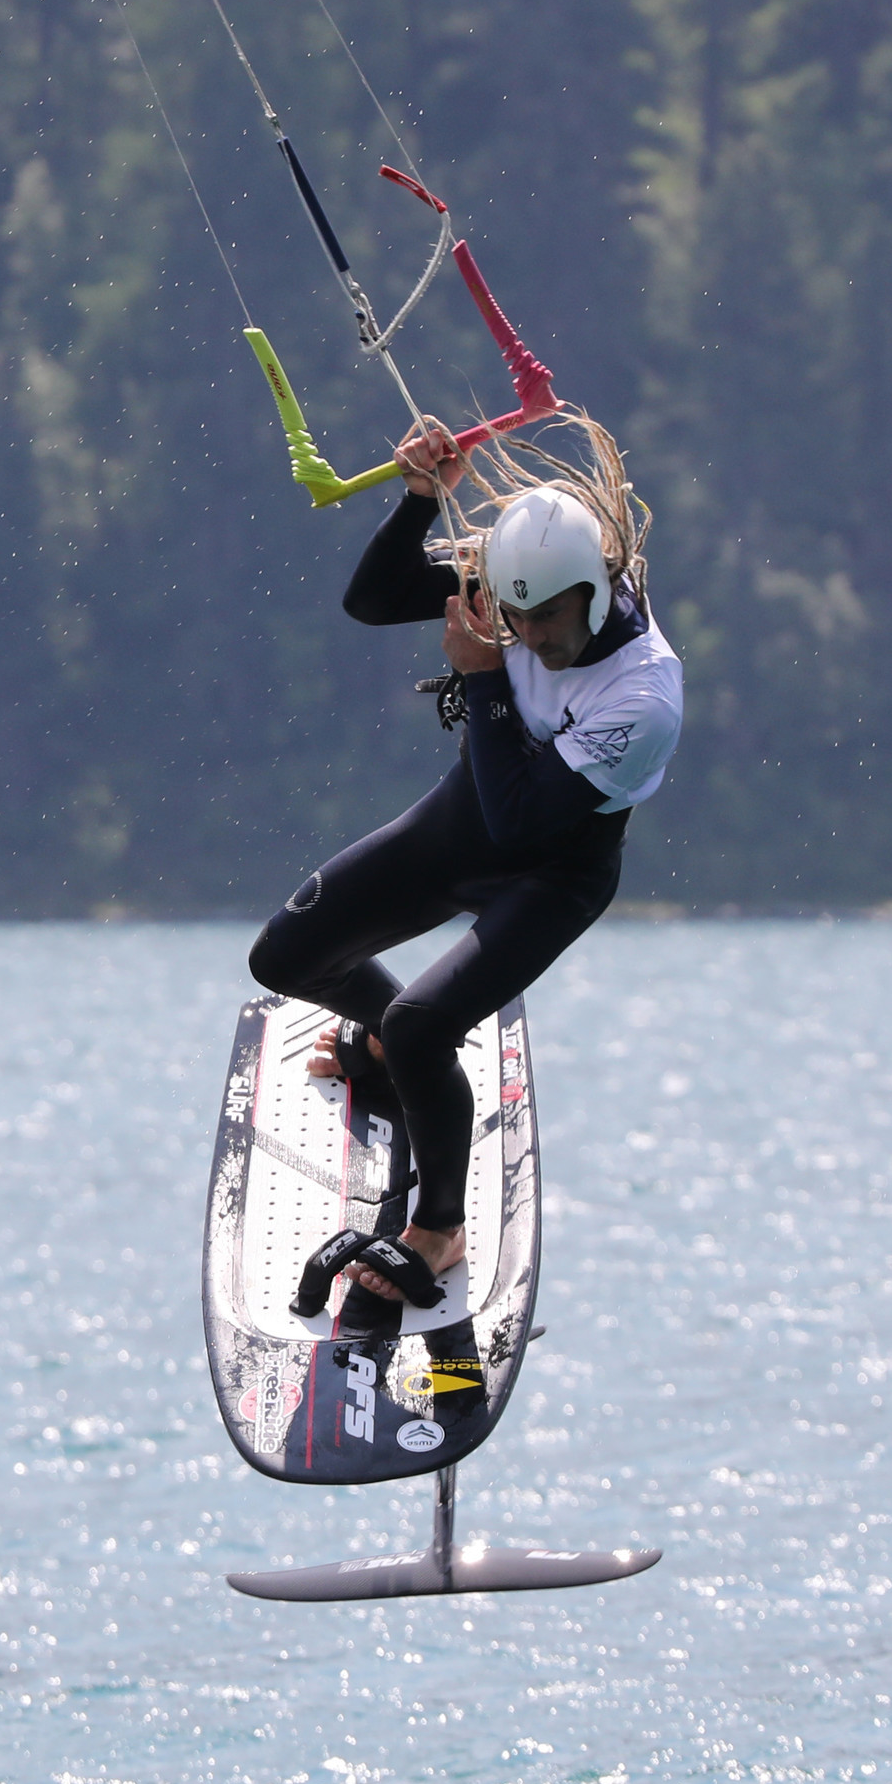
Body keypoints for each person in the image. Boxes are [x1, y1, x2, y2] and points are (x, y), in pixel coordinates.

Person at [250, 417, 683, 1312]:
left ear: (596, 592)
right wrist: (417, 500)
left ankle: (438, 1228)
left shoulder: (645, 695)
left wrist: (484, 678)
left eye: (546, 617)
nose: (526, 631)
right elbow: (373, 600)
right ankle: (389, 1049)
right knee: (284, 960)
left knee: (421, 1024)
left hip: (550, 872)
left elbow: (522, 825)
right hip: (465, 820)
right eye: (510, 613)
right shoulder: (521, 590)